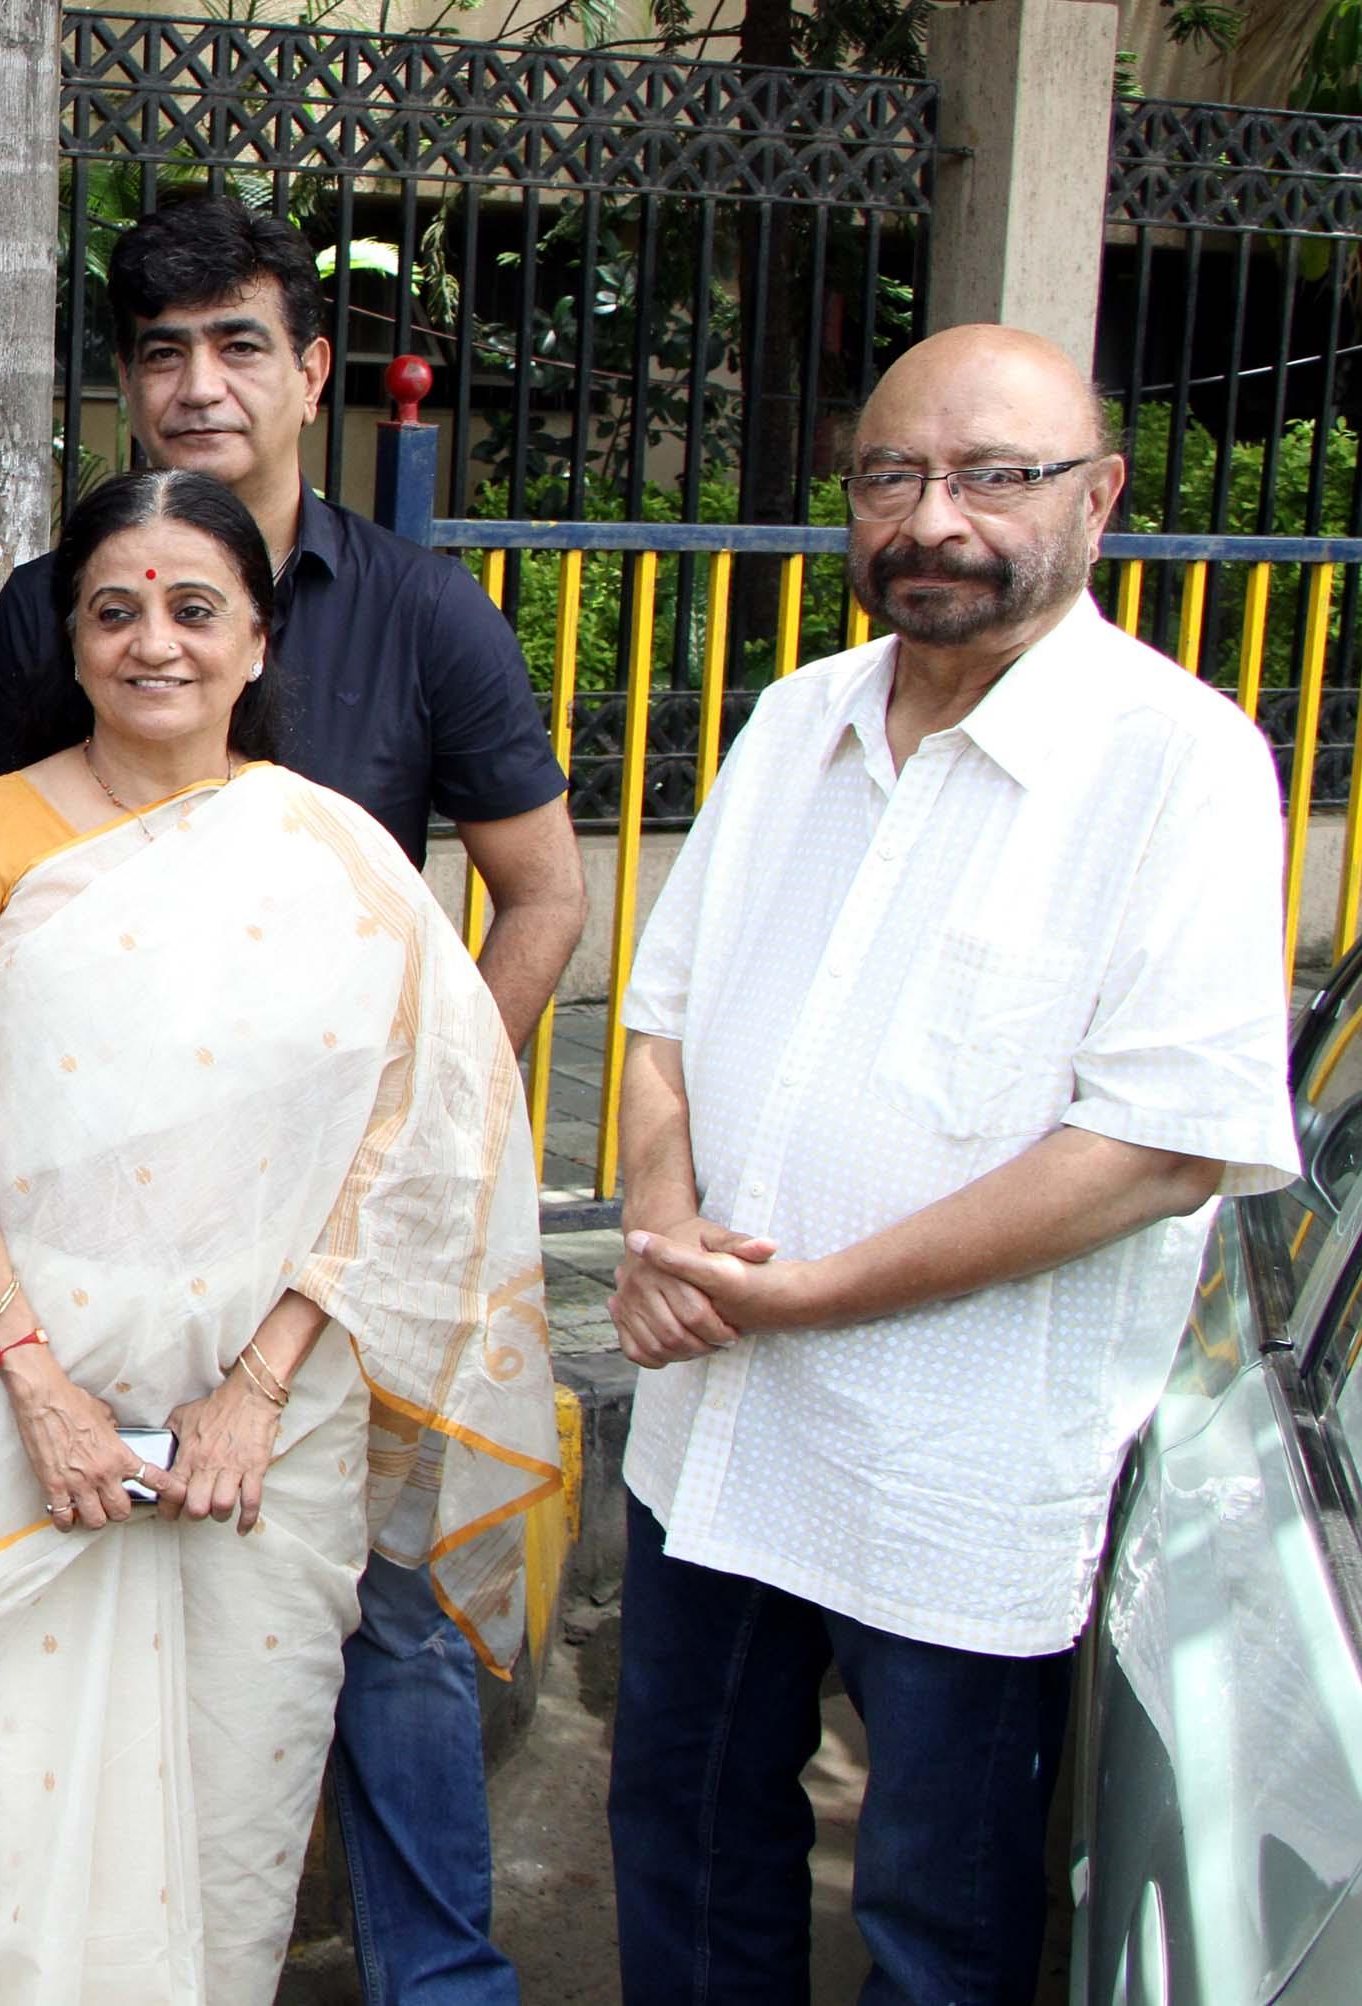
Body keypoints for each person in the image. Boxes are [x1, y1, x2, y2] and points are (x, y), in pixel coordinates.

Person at [606, 324, 1299, 2002]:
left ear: (1102, 498)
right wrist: (660, 1221)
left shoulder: (1178, 761)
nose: (938, 517)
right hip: (720, 1423)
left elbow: (1154, 1146)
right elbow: (661, 1019)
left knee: (937, 1911)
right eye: (896, 475)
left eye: (996, 474)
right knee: (685, 1844)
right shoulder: (797, 718)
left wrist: (822, 1292)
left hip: (961, 1466)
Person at [0, 189, 583, 2004]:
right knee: (91, 1583)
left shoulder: (421, 614)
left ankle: (437, 1982)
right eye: (163, 352)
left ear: (312, 370)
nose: (200, 384)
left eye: (239, 344)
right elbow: (4, 896)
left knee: (379, 1611)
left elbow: (542, 896)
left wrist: (418, 1138)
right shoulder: (47, 607)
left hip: (339, 1229)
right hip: (102, 1228)